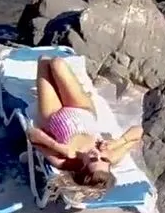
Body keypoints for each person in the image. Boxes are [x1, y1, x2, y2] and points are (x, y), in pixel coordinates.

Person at [25, 56, 143, 194]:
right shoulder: (110, 154)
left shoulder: (64, 161)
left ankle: (56, 86)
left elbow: (32, 134)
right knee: (57, 63)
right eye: (103, 160)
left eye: (93, 159)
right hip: (81, 108)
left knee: (44, 61)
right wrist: (118, 142)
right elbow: (139, 132)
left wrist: (59, 147)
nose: (98, 154)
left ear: (82, 167)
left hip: (53, 114)